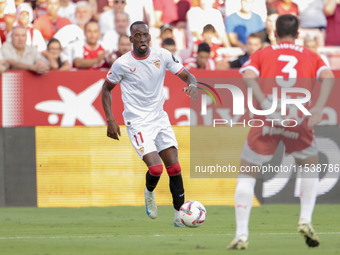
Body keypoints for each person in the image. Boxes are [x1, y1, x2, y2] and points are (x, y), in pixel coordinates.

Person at [227, 14, 334, 250]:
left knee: (247, 174)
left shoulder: (263, 53)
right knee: (310, 167)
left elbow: (247, 76)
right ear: (298, 35)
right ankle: (305, 218)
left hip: (267, 118)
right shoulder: (311, 55)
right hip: (298, 118)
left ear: (274, 33)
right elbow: (328, 77)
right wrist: (317, 109)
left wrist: (265, 104)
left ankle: (242, 234)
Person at [101, 21, 198, 227]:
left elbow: (188, 75)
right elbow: (106, 89)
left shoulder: (161, 56)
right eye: (137, 35)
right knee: (155, 169)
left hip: (159, 118)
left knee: (175, 167)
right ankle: (149, 192)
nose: (142, 39)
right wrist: (110, 119)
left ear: (149, 37)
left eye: (145, 35)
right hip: (137, 122)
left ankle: (179, 217)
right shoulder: (122, 63)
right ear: (131, 39)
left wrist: (192, 84)